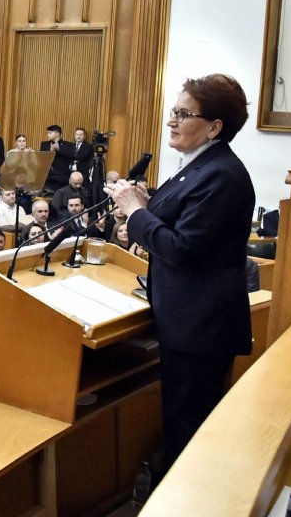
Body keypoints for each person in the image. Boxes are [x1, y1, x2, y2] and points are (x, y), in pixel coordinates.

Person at [105, 73, 256, 473]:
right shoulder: (199, 166)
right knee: (179, 421)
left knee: (187, 428)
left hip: (200, 326)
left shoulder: (221, 174)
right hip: (186, 318)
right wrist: (139, 202)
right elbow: (176, 217)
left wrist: (136, 212)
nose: (171, 121)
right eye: (173, 112)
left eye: (183, 114)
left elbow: (183, 248)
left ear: (214, 126)